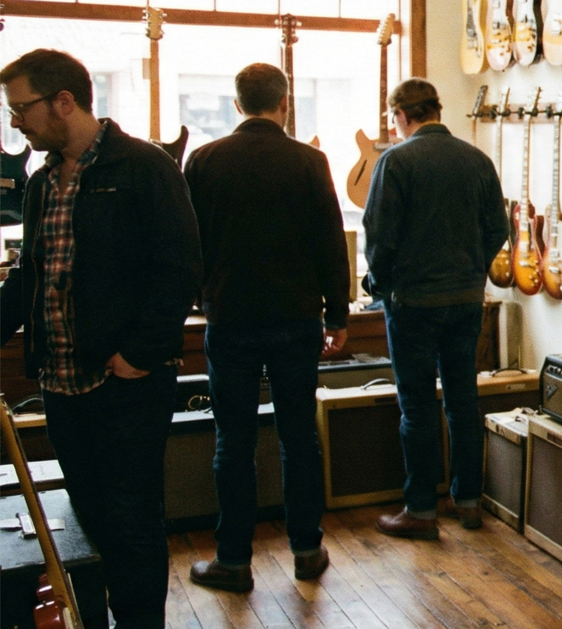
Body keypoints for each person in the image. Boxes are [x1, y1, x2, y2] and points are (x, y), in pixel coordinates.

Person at [0, 49, 202, 629]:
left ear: (64, 101)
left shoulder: (144, 167)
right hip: (61, 384)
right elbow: (28, 277)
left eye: (22, 109)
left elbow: (180, 267)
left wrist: (136, 355)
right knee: (88, 520)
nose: (16, 122)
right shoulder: (42, 184)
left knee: (134, 522)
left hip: (125, 383)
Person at [182, 63, 349, 592]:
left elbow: (190, 242)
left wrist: (199, 298)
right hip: (296, 318)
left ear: (237, 105)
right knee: (298, 435)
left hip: (229, 317)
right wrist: (339, 315)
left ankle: (232, 560)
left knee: (232, 441)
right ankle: (306, 549)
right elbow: (330, 241)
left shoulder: (204, 160)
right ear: (285, 103)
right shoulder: (309, 161)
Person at [362, 78, 506, 539]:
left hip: (413, 304)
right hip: (465, 301)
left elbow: (380, 237)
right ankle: (468, 502)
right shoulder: (477, 160)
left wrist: (378, 284)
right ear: (436, 110)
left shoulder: (396, 161)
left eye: (394, 119)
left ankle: (421, 510)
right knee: (464, 402)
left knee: (418, 406)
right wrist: (471, 271)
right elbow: (498, 229)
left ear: (402, 115)